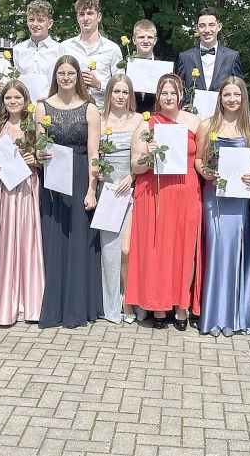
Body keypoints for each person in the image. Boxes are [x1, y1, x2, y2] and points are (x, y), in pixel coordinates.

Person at [127, 73, 203, 330]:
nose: (169, 97)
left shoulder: (195, 122)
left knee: (184, 248)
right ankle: (158, 307)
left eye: (173, 92)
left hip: (185, 192)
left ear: (181, 95)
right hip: (155, 193)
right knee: (158, 249)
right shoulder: (146, 124)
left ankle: (181, 306)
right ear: (157, 96)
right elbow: (135, 167)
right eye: (164, 93)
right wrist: (149, 156)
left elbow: (202, 159)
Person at [36, 55, 103, 328]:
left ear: (78, 77)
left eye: (71, 73)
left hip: (79, 180)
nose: (66, 77)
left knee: (77, 243)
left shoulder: (90, 109)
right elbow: (39, 146)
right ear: (56, 76)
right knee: (54, 242)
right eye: (61, 73)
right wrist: (40, 155)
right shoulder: (42, 107)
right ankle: (54, 307)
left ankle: (77, 307)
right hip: (53, 180)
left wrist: (91, 189)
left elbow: (94, 154)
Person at [195, 77, 250, 336]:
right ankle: (214, 315)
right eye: (227, 95)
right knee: (216, 249)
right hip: (214, 195)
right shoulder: (207, 125)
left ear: (243, 98)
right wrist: (205, 173)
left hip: (240, 198)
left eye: (237, 95)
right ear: (219, 97)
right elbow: (199, 160)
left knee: (237, 251)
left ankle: (236, 315)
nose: (232, 99)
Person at [0, 81, 45, 325]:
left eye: (17, 97)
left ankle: (30, 302)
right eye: (8, 98)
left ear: (25, 99)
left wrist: (35, 159)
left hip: (28, 186)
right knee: (6, 240)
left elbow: (44, 158)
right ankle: (4, 300)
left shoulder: (33, 126)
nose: (12, 101)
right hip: (5, 190)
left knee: (27, 240)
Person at [97, 75, 141, 324]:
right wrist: (98, 171)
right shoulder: (100, 121)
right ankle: (111, 304)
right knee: (109, 250)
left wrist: (133, 176)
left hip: (132, 187)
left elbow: (144, 155)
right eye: (116, 92)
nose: (121, 96)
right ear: (109, 94)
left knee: (128, 249)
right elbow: (92, 152)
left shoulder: (138, 120)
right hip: (108, 190)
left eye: (125, 92)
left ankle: (129, 299)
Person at [57, 0, 123, 110]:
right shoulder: (65, 47)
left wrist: (98, 85)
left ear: (99, 17)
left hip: (103, 109)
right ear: (77, 18)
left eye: (90, 13)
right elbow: (57, 79)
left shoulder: (112, 48)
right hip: (72, 107)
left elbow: (121, 85)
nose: (85, 18)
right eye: (81, 14)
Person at [176, 7, 243, 93]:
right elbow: (179, 91)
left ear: (219, 27)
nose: (207, 30)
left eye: (211, 25)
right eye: (202, 26)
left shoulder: (232, 57)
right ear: (196, 29)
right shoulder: (185, 57)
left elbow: (240, 92)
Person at [12, 0, 60, 82]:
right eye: (31, 20)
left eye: (40, 21)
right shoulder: (18, 50)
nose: (35, 24)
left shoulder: (59, 49)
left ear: (50, 23)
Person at [126, 19, 160, 113]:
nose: (146, 41)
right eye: (141, 37)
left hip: (156, 118)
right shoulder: (126, 66)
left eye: (149, 37)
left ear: (155, 40)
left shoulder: (163, 68)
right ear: (134, 40)